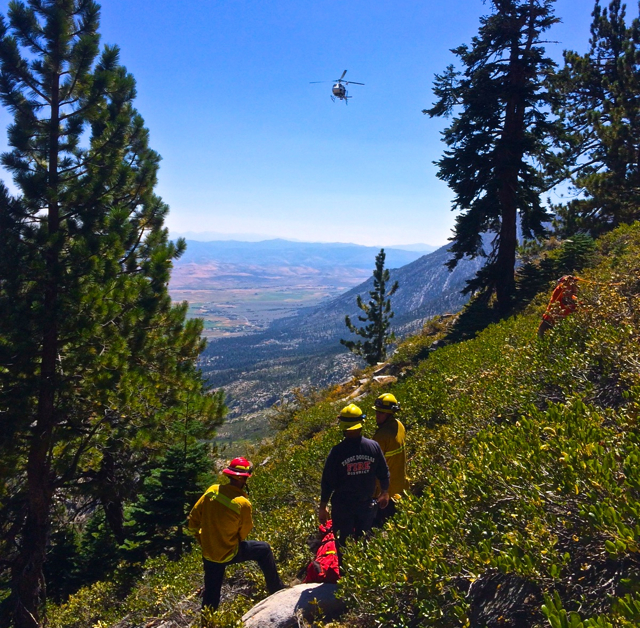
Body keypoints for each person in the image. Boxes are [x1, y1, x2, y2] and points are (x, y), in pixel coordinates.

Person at [188, 457, 284, 611]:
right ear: (244, 479)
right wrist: (231, 541)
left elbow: (193, 519)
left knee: (211, 593)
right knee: (264, 549)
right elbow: (244, 531)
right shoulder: (242, 503)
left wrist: (202, 540)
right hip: (230, 552)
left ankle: (207, 623)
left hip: (209, 552)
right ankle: (277, 589)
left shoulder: (212, 490)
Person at [319, 404, 390, 546]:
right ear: (361, 423)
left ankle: (344, 567)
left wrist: (323, 506)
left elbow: (327, 482)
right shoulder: (373, 446)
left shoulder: (337, 452)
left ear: (343, 427)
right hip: (366, 505)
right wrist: (385, 491)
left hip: (343, 507)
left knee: (343, 543)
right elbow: (384, 472)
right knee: (364, 541)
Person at [372, 393, 409, 525]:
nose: (377, 416)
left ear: (389, 414)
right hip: (400, 486)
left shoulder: (381, 436)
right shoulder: (399, 425)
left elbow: (373, 467)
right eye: (377, 412)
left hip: (384, 492)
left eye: (381, 413)